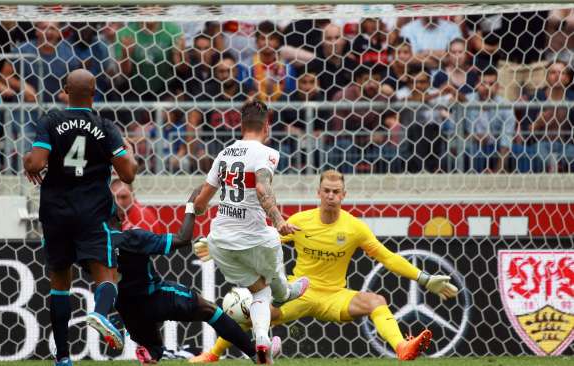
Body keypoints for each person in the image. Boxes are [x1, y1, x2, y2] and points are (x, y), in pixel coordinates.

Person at [190, 170, 459, 363]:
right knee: (252, 312)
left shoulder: (355, 228)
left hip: (335, 296)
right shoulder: (301, 221)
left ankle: (403, 348)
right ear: (319, 193)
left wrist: (423, 278)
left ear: (344, 195)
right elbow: (260, 241)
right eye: (326, 191)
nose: (331, 196)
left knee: (376, 300)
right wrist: (216, 249)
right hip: (299, 291)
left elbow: (387, 257)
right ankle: (212, 355)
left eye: (336, 192)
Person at [22, 69, 138, 366]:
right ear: (94, 93)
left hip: (56, 212)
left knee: (60, 282)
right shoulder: (105, 126)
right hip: (93, 212)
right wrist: (127, 156)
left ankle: (63, 358)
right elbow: (127, 174)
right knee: (107, 275)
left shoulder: (50, 121)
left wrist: (29, 163)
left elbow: (36, 162)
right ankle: (99, 313)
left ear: (64, 91)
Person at [193, 100, 309, 364]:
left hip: (220, 240)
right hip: (255, 237)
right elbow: (262, 188)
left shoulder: (223, 154)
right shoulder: (266, 153)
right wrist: (279, 221)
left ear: (241, 125)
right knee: (278, 292)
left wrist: (194, 207)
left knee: (259, 290)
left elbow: (201, 204)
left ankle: (262, 344)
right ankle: (287, 293)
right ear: (267, 125)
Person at [111, 187, 280, 364]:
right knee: (209, 311)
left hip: (127, 308)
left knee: (154, 348)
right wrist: (191, 206)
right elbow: (182, 239)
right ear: (121, 218)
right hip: (155, 296)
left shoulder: (94, 247)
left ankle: (149, 353)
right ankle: (256, 356)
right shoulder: (132, 238)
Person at [464, 68, 516, 173]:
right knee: (472, 151)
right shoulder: (466, 101)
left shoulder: (505, 105)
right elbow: (453, 129)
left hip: (496, 147)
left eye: (491, 84)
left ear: (497, 87)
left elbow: (506, 139)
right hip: (471, 146)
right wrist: (472, 137)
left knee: (519, 152)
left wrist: (497, 170)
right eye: (483, 84)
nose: (487, 87)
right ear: (476, 85)